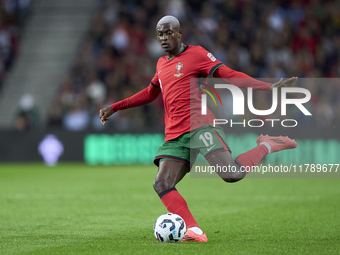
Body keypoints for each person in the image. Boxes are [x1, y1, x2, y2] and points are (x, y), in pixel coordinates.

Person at [99, 16, 298, 242]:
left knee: (231, 175)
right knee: (161, 184)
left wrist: (268, 87)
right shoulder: (161, 63)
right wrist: (115, 107)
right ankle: (195, 230)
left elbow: (229, 75)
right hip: (174, 136)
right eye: (160, 34)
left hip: (200, 127)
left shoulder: (197, 55)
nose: (164, 38)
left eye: (168, 33)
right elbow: (149, 93)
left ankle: (266, 145)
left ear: (179, 33)